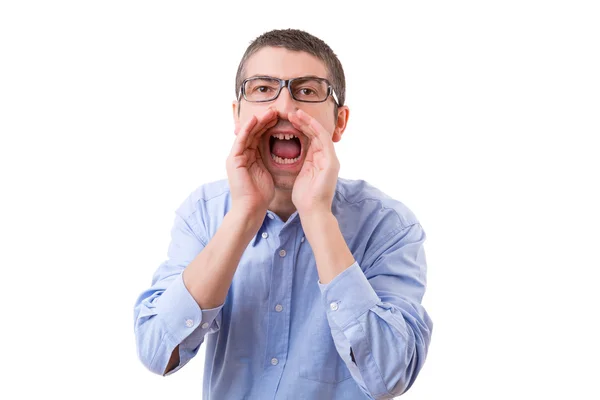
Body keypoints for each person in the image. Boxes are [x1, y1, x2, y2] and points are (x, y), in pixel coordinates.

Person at [133, 28, 433, 400]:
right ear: (237, 114)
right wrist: (244, 213)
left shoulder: (389, 226)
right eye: (262, 89)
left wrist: (318, 215)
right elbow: (157, 350)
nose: (284, 108)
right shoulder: (204, 214)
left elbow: (390, 375)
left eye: (306, 91)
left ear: (339, 122)